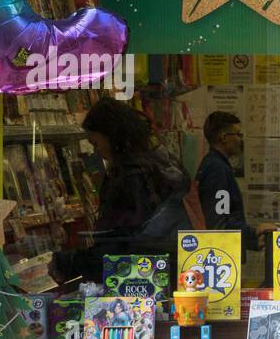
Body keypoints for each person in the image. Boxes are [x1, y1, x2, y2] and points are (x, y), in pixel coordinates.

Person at [50, 99, 191, 284]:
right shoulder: (160, 163)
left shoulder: (129, 177)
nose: (97, 152)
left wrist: (68, 262)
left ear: (112, 135)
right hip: (169, 273)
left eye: (96, 143)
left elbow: (118, 245)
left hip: (137, 281)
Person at [197, 111, 276, 255]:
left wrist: (252, 241)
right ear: (224, 137)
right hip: (220, 256)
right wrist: (253, 232)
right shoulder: (217, 169)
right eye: (238, 134)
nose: (241, 139)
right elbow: (219, 220)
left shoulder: (217, 165)